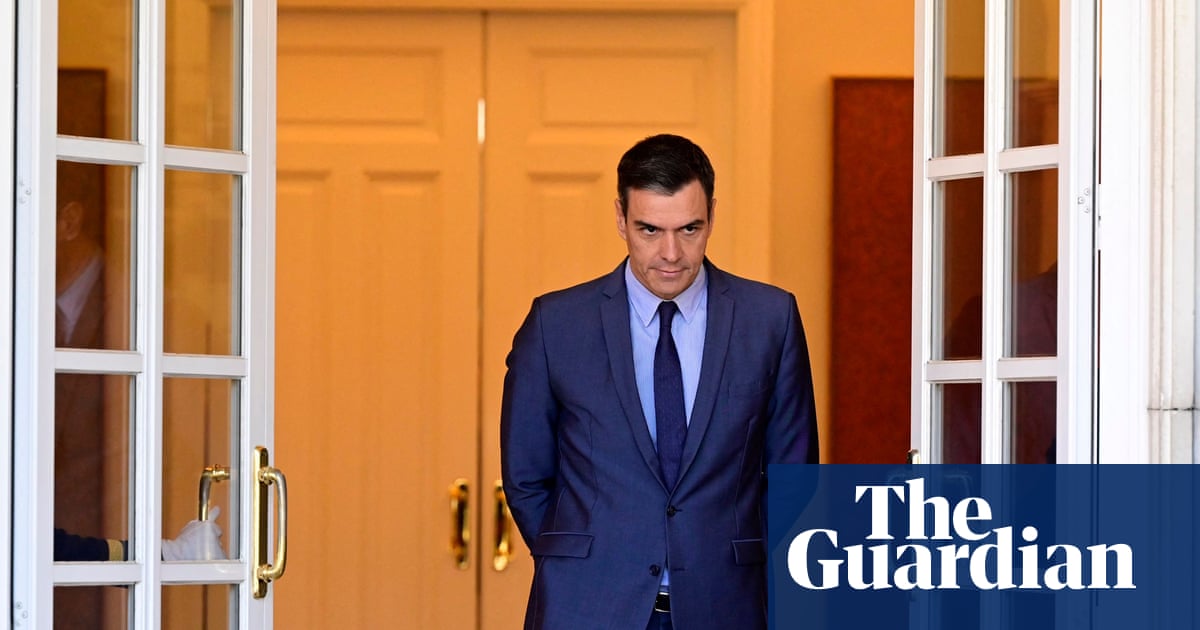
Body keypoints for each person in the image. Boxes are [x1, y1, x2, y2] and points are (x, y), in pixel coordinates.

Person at [500, 134, 819, 630]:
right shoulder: (555, 324)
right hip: (585, 607)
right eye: (650, 230)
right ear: (620, 218)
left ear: (712, 215)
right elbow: (526, 477)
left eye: (689, 229)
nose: (671, 253)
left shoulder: (770, 319)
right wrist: (581, 561)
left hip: (727, 606)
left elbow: (794, 478)